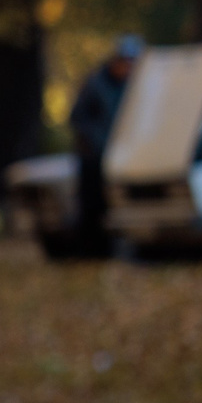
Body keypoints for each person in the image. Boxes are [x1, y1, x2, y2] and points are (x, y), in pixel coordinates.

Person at [65, 36, 143, 257]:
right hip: (92, 158)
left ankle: (110, 252)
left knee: (113, 206)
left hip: (117, 159)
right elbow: (77, 118)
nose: (128, 68)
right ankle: (87, 253)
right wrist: (96, 143)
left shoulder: (130, 87)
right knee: (90, 208)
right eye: (126, 62)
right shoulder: (95, 83)